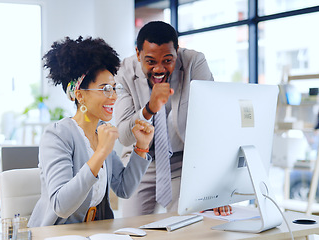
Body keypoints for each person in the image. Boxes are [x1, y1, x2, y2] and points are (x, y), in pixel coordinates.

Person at [27, 36, 155, 227]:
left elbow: (124, 188)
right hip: (56, 234)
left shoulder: (101, 132)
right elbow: (61, 205)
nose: (113, 97)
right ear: (79, 95)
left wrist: (141, 148)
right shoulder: (57, 135)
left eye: (114, 88)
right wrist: (101, 152)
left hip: (93, 232)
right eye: (104, 89)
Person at [115, 21, 232, 217]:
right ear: (138, 54)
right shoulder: (124, 72)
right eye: (150, 61)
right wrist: (149, 109)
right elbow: (125, 137)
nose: (159, 69)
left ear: (177, 51)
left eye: (168, 60)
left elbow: (213, 123)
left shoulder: (194, 63)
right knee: (132, 230)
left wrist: (217, 185)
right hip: (140, 163)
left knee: (187, 228)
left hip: (183, 164)